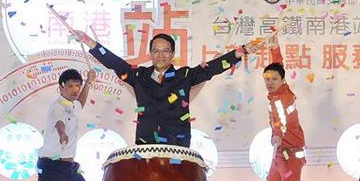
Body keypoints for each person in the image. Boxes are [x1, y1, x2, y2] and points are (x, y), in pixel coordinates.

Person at [73, 31, 260, 147]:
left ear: (172, 54)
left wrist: (242, 51)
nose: (160, 55)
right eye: (156, 50)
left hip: (177, 147)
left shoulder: (184, 76)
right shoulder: (140, 76)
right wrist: (89, 41)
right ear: (150, 53)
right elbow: (114, 62)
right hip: (145, 147)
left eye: (165, 51)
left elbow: (213, 68)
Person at [263, 36, 306, 181]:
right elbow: (278, 65)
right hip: (280, 153)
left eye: (273, 79)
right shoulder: (278, 91)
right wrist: (274, 46)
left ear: (282, 81)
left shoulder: (282, 98)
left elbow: (280, 120)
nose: (269, 81)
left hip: (291, 153)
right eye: (266, 78)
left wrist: (277, 136)